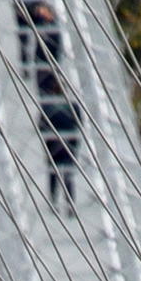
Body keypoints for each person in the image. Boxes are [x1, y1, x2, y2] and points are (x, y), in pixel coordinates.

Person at [37, 69, 83, 209]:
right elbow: (79, 124)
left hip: (53, 144)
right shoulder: (73, 106)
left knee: (54, 173)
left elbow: (41, 126)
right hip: (69, 144)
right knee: (68, 174)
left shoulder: (48, 107)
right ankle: (69, 203)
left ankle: (53, 201)